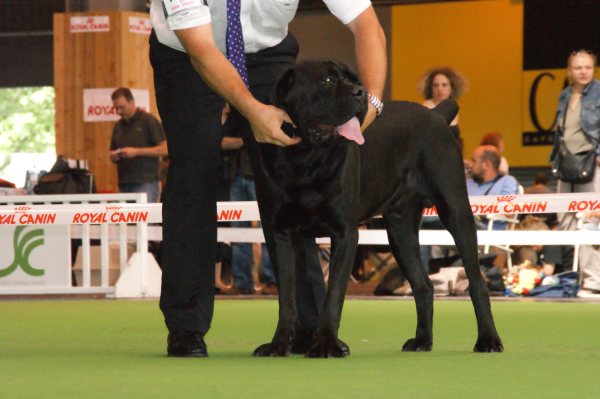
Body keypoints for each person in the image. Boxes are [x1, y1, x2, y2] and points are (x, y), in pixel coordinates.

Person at [149, 1, 386, 357]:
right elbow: (201, 50)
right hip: (186, 52)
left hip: (266, 52)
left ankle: (310, 326)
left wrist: (372, 103)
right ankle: (186, 326)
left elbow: (367, 24)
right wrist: (252, 110)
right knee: (192, 174)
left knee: (293, 175)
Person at [220, 104, 277, 295]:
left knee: (268, 228)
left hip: (260, 175)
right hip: (236, 175)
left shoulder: (265, 110)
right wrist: (247, 140)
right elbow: (220, 142)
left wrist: (239, 141)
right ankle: (242, 281)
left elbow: (267, 137)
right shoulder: (234, 117)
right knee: (238, 230)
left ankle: (272, 279)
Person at [550, 50, 600, 229]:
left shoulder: (598, 92)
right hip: (567, 161)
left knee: (591, 218)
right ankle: (575, 257)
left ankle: (593, 258)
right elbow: (561, 130)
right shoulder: (565, 94)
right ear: (569, 71)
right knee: (564, 216)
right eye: (578, 68)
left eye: (588, 67)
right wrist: (555, 157)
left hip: (591, 161)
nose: (584, 71)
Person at [109, 87, 167, 203]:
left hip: (146, 183)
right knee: (124, 221)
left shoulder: (148, 121)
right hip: (123, 184)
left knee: (145, 220)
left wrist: (136, 152)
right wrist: (114, 156)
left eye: (122, 107)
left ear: (132, 102)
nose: (119, 111)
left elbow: (165, 149)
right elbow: (112, 152)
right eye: (116, 108)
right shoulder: (118, 126)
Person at [467, 145, 519, 230]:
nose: (470, 164)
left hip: (488, 231)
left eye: (474, 161)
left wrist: (474, 211)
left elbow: (507, 210)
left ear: (486, 164)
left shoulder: (507, 182)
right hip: (461, 229)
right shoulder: (467, 182)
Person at [420, 67, 466, 139]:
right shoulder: (426, 107)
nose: (440, 89)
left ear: (451, 87)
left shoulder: (453, 106)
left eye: (444, 85)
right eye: (436, 85)